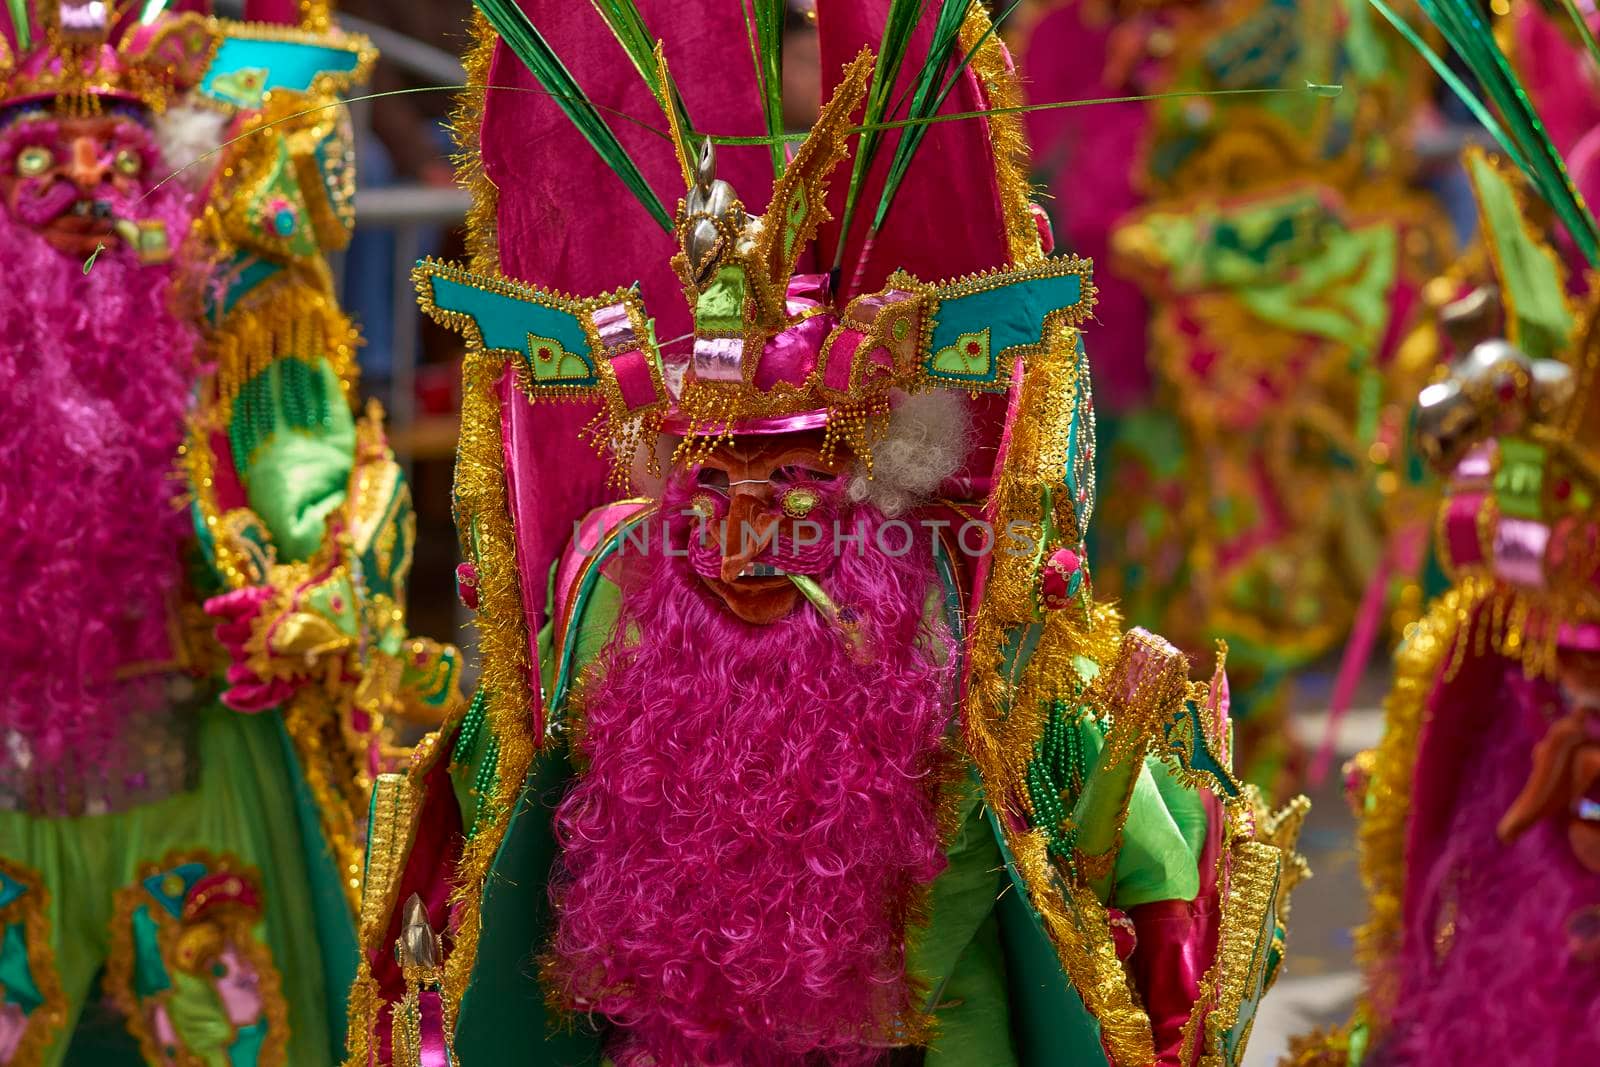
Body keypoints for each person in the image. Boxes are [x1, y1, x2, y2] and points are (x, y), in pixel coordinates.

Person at [346, 4, 1307, 1066]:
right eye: (713, 476)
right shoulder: (611, 576)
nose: (749, 523)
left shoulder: (953, 592)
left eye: (795, 474)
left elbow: (1100, 824)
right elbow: (509, 798)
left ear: (871, 470)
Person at [0, 3, 461, 1064]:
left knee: (218, 1018)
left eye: (116, 159)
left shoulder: (240, 314)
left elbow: (319, 477)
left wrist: (307, 596)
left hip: (198, 738)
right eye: (36, 159)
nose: (81, 191)